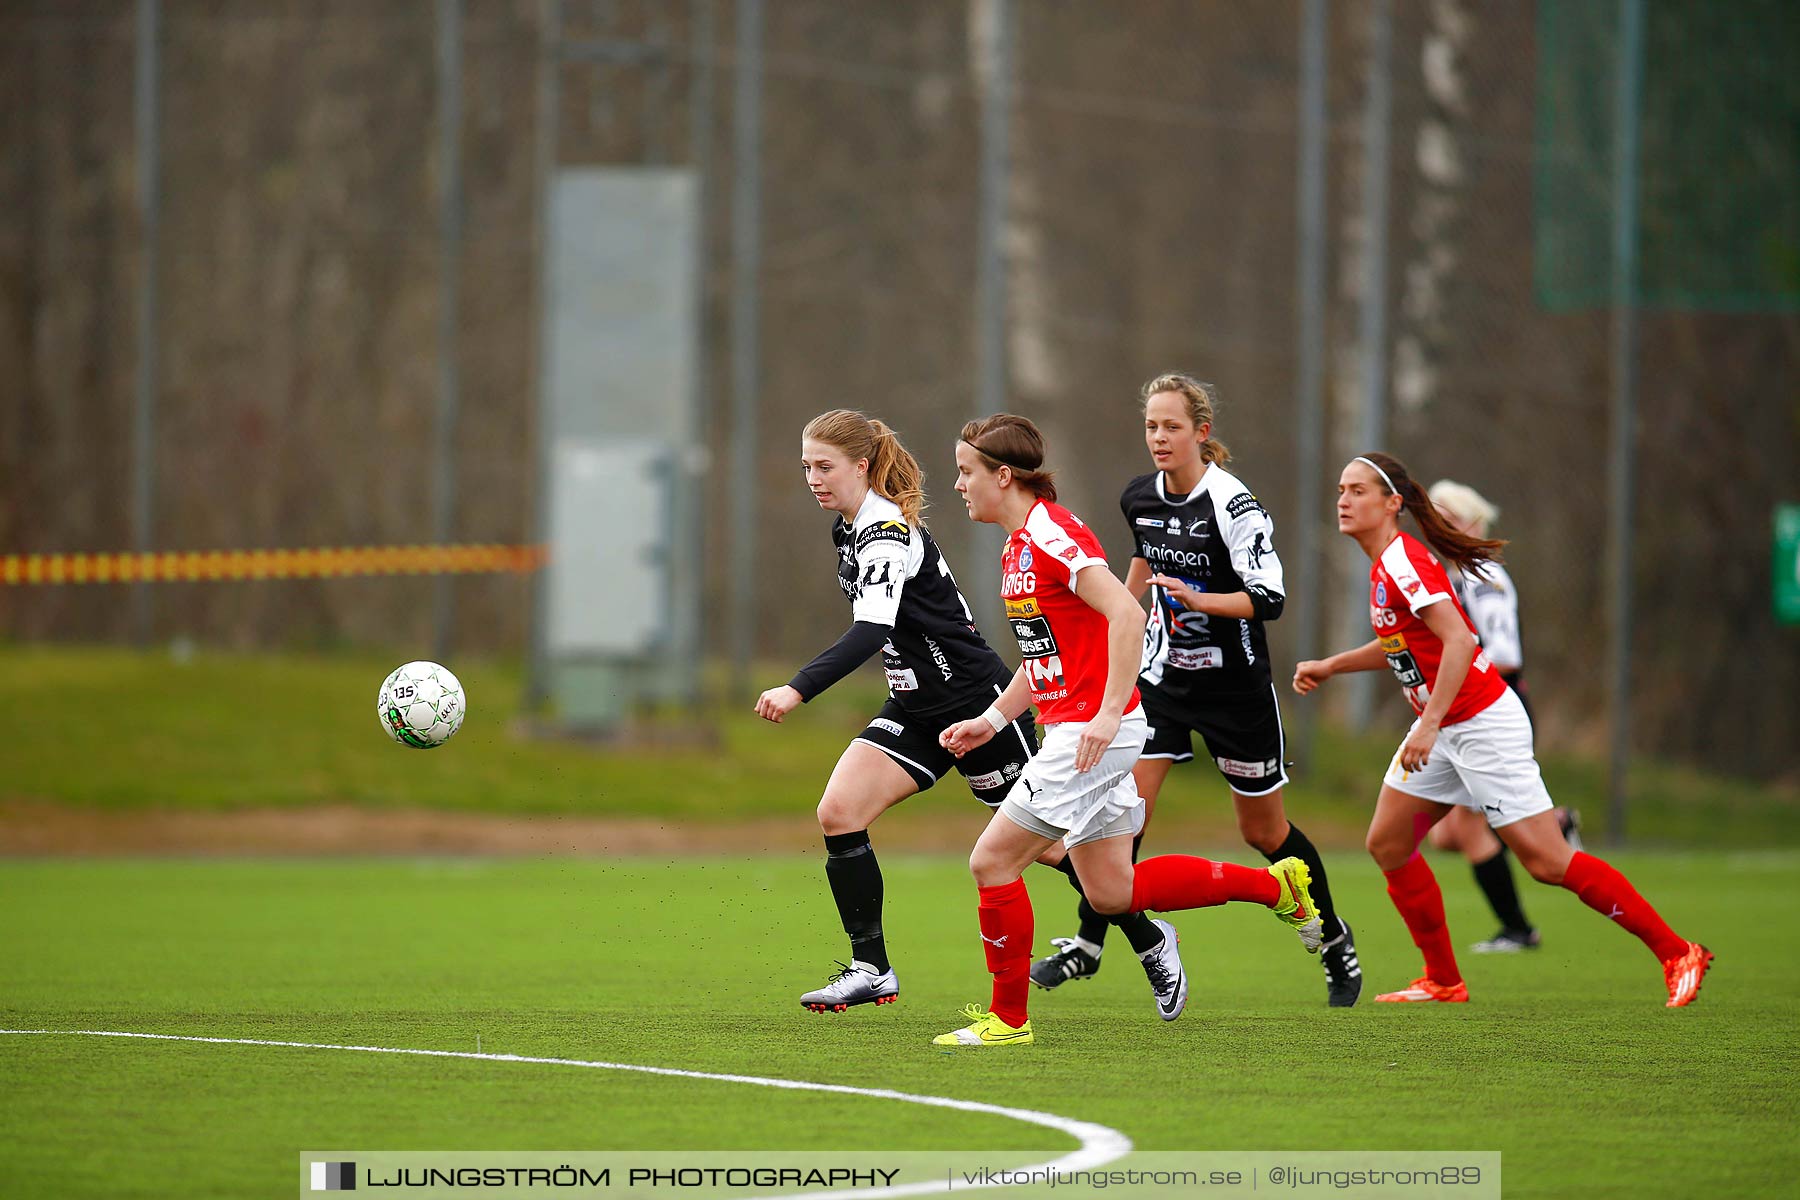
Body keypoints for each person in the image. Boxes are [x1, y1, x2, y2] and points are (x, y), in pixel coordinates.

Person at [931, 414, 1325, 1047]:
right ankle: (1274, 886)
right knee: (1114, 892)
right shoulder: (1017, 546)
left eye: (965, 472)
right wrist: (991, 719)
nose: (958, 485)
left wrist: (1109, 712)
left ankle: (1007, 1022)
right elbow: (1047, 657)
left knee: (992, 862)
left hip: (1090, 735)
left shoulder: (1053, 534)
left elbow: (1127, 610)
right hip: (1084, 729)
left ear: (1003, 476)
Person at [1291, 452, 1713, 1007]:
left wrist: (1430, 724)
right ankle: (1443, 978)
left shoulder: (1403, 561)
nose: (1343, 500)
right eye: (1340, 490)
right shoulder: (1385, 565)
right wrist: (1332, 665)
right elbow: (1407, 645)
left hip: (1481, 722)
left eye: (1358, 491)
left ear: (1393, 503)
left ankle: (1677, 951)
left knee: (1546, 861)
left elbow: (1462, 644)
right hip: (1445, 725)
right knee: (1389, 843)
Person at [1030, 374, 1362, 1007]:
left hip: (1235, 692)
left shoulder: (1235, 506)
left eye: (1172, 426)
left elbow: (1270, 600)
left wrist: (1200, 598)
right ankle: (1090, 943)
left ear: (1202, 433)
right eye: (1152, 425)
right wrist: (1115, 632)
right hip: (1162, 685)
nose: (1159, 437)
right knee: (1121, 816)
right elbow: (1138, 567)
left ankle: (1333, 934)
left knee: (1264, 834)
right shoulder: (1140, 497)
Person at [755, 410, 1038, 1014]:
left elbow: (869, 632)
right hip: (914, 708)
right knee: (839, 812)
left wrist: (797, 689)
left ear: (862, 466)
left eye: (824, 466)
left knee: (1049, 847)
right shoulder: (849, 529)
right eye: (806, 466)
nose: (813, 478)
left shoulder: (885, 530)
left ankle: (1144, 934)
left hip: (975, 701)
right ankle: (871, 968)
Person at [1423, 480, 1579, 954]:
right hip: (1463, 710)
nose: (1437, 529)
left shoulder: (1481, 575)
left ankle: (1517, 929)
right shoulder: (1451, 577)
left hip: (1491, 707)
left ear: (1471, 524)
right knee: (1444, 835)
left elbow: (1505, 655)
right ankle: (1554, 824)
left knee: (1469, 829)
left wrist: (1456, 672)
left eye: (1447, 519)